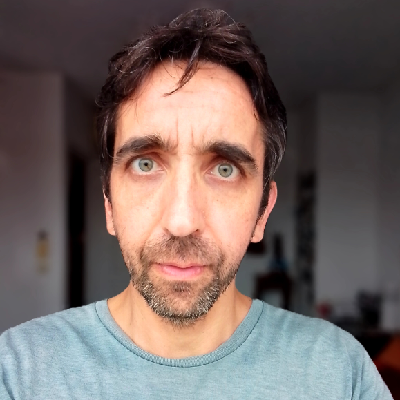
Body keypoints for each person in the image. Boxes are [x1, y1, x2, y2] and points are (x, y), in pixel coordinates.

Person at [0, 8, 392, 399]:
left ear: (263, 212)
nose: (182, 221)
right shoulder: (19, 372)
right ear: (109, 203)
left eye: (224, 169)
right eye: (145, 164)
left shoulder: (339, 373)